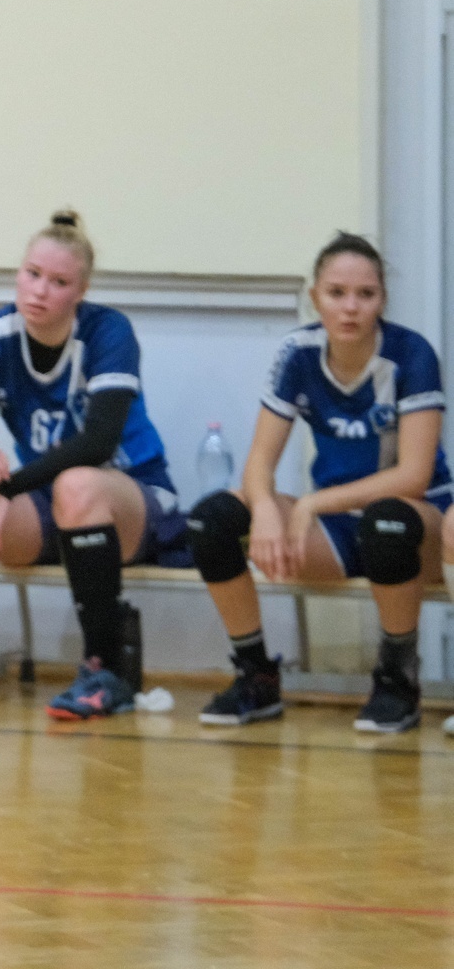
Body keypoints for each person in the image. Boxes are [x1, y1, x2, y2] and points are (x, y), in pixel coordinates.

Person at [0, 210, 186, 721]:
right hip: (46, 500)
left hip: (132, 497)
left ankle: (105, 669)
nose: (39, 291)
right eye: (32, 273)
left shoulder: (109, 332)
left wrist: (7, 489)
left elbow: (97, 443)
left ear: (81, 292)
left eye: (59, 282)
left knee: (78, 485)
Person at [189, 233, 447, 733]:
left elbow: (413, 476)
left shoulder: (411, 354)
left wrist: (311, 503)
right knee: (211, 520)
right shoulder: (298, 352)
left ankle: (397, 679)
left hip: (418, 519)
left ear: (382, 300)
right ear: (315, 297)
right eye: (336, 293)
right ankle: (256, 675)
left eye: (365, 294)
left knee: (386, 522)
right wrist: (267, 508)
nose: (350, 307)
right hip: (336, 526)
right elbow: (259, 461)